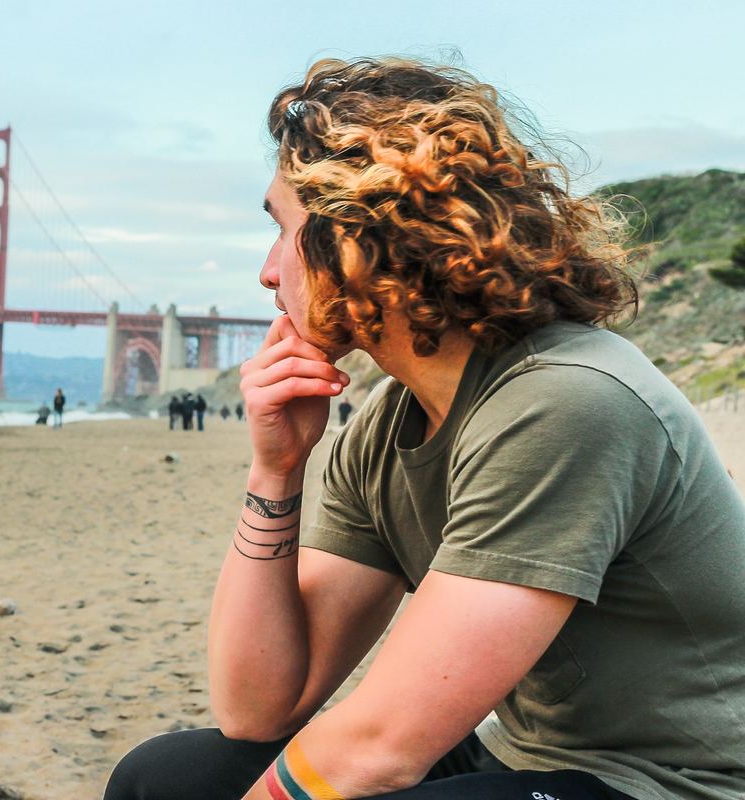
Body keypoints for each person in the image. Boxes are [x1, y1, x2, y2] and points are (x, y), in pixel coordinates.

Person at [105, 57, 744, 800]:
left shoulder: (566, 402)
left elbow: (380, 748)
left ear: (360, 236)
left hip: (684, 783)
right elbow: (260, 708)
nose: (267, 271)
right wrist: (275, 470)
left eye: (284, 231)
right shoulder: (388, 425)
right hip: (524, 760)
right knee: (166, 780)